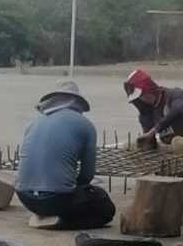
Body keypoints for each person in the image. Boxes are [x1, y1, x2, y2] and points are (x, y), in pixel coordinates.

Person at [15, 80, 116, 230]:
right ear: (77, 102)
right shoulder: (85, 125)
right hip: (56, 199)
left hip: (25, 198)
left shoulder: (33, 124)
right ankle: (62, 220)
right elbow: (87, 175)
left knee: (61, 192)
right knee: (104, 205)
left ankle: (42, 214)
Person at [123, 69, 183, 151]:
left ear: (149, 88)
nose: (142, 99)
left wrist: (155, 129)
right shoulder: (146, 112)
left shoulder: (174, 94)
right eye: (139, 98)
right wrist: (145, 143)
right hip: (167, 148)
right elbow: (151, 144)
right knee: (128, 145)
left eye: (142, 95)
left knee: (177, 143)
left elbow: (178, 109)